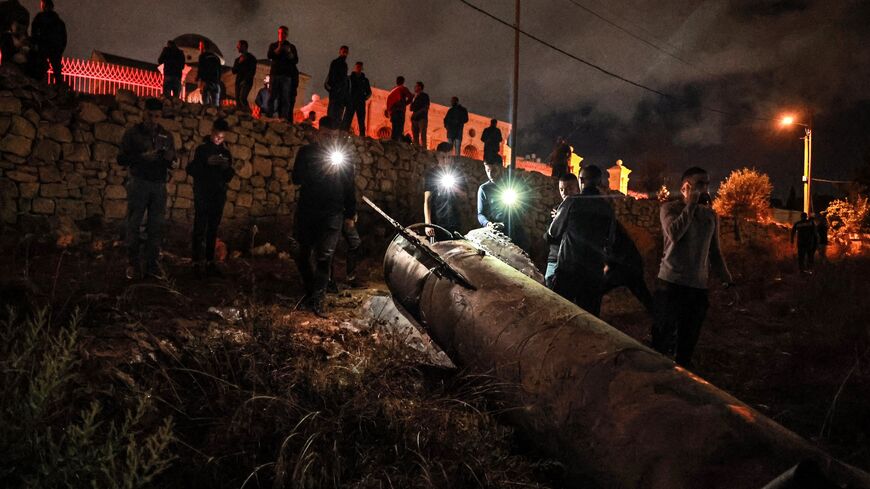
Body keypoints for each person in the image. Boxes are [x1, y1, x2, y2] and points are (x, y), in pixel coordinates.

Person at [653, 166, 733, 367]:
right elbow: (674, 234)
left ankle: (680, 386)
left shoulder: (710, 217)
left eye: (706, 184)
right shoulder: (669, 209)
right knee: (661, 342)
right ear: (685, 187)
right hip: (670, 285)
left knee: (687, 345)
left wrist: (728, 283)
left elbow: (715, 252)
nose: (705, 189)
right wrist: (690, 205)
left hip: (697, 289)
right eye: (699, 184)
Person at [291, 116, 357, 317]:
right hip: (308, 210)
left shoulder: (342, 157)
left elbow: (349, 187)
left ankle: (317, 300)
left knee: (325, 256)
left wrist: (350, 213)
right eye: (327, 135)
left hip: (332, 213)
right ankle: (311, 292)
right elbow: (296, 179)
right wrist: (320, 172)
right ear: (318, 133)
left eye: (334, 137)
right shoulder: (306, 153)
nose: (330, 140)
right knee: (301, 254)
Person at [118, 98, 177, 280]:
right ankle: (133, 263)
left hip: (159, 184)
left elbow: (172, 161)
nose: (153, 119)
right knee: (134, 223)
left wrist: (169, 158)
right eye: (150, 115)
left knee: (156, 225)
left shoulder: (166, 136)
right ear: (144, 113)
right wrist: (142, 157)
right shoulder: (132, 134)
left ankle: (152, 265)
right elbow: (121, 159)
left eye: (157, 116)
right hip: (140, 182)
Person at [547, 165, 615, 317]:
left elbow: (553, 231)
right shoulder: (607, 208)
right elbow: (610, 241)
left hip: (568, 270)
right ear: (599, 182)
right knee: (589, 319)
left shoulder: (571, 202)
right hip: (593, 273)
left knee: (561, 315)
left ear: (581, 180)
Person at [187, 118, 234, 277]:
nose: (218, 140)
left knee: (213, 229)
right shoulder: (201, 150)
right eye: (216, 136)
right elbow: (191, 169)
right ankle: (195, 261)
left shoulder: (226, 153)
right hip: (203, 194)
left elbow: (228, 177)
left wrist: (226, 167)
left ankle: (209, 261)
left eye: (221, 138)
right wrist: (206, 163)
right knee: (200, 227)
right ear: (212, 132)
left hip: (218, 195)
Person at [603, 222, 655, 314]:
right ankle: (658, 316)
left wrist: (608, 265)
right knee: (644, 295)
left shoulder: (611, 231)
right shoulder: (614, 228)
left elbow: (615, 252)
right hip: (631, 266)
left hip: (626, 268)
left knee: (596, 289)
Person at [477, 160, 528, 250]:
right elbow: (480, 214)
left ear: (501, 168)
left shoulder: (511, 184)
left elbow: (523, 208)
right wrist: (487, 223)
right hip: (496, 231)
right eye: (488, 171)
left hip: (515, 230)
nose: (491, 174)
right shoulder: (484, 189)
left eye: (494, 170)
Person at [424, 142, 467, 240]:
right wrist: (428, 224)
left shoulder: (457, 172)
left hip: (455, 222)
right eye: (443, 157)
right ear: (437, 156)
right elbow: (427, 200)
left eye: (449, 157)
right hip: (437, 222)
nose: (446, 160)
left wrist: (455, 188)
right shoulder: (432, 174)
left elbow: (464, 196)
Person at [544, 173, 580, 288]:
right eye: (561, 189)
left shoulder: (583, 211)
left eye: (569, 188)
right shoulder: (557, 210)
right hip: (554, 258)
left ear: (578, 188)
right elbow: (550, 236)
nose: (564, 193)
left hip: (571, 263)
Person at [267, 25, 299, 121]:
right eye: (280, 33)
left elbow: (296, 60)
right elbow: (270, 55)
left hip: (286, 76)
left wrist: (289, 52)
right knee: (272, 96)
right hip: (275, 74)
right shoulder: (273, 45)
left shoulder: (291, 47)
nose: (282, 35)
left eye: (284, 33)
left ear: (287, 35)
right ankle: (269, 116)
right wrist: (279, 48)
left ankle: (284, 118)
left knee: (285, 98)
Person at [30, 0, 66, 84]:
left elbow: (34, 32)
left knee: (40, 68)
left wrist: (35, 44)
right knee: (57, 71)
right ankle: (59, 89)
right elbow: (64, 38)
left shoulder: (39, 18)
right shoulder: (59, 22)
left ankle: (39, 86)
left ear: (44, 6)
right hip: (55, 49)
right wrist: (60, 50)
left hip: (43, 47)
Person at [343, 61, 371, 135]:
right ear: (355, 68)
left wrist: (363, 98)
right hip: (350, 102)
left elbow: (369, 92)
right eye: (357, 67)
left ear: (362, 68)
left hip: (360, 103)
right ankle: (343, 135)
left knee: (361, 122)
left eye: (360, 67)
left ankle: (362, 137)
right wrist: (346, 99)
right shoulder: (349, 78)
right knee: (347, 120)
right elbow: (345, 90)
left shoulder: (365, 80)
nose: (358, 68)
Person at [324, 45, 349, 123]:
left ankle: (335, 127)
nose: (345, 52)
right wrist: (335, 88)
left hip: (341, 92)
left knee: (338, 112)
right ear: (340, 52)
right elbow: (331, 76)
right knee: (333, 110)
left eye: (346, 51)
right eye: (343, 51)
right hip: (335, 91)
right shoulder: (336, 62)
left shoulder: (345, 64)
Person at [231, 40, 257, 110]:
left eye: (238, 45)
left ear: (244, 46)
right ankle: (241, 116)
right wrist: (239, 63)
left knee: (242, 98)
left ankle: (248, 113)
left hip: (247, 82)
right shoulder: (237, 60)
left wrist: (246, 80)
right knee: (238, 100)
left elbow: (252, 71)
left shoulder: (251, 58)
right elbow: (233, 71)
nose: (237, 47)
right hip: (238, 82)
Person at [385, 76, 412, 141]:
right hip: (400, 111)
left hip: (393, 113)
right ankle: (399, 143)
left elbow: (388, 103)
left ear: (396, 82)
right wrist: (405, 103)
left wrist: (389, 112)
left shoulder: (392, 91)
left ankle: (393, 142)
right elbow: (410, 97)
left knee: (394, 128)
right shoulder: (403, 88)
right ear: (403, 82)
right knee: (400, 128)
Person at [196, 40, 222, 107]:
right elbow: (220, 70)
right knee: (215, 105)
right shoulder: (216, 57)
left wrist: (198, 79)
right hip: (216, 83)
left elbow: (201, 69)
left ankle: (207, 116)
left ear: (203, 46)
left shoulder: (202, 56)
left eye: (200, 46)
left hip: (206, 82)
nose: (199, 48)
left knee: (205, 104)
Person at [410, 81, 430, 148]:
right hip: (415, 119)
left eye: (416, 86)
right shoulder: (415, 97)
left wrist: (417, 113)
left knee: (423, 135)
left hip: (422, 118)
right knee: (415, 136)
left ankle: (424, 150)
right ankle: (416, 149)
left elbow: (426, 107)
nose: (414, 87)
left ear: (420, 87)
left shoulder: (425, 96)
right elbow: (411, 108)